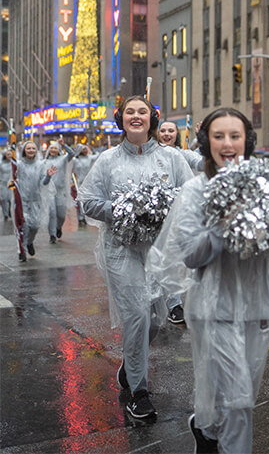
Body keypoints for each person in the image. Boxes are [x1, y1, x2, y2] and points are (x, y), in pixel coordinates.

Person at [147, 107, 269, 454]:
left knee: (237, 394)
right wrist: (222, 222)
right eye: (218, 136)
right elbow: (191, 256)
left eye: (235, 136)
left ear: (247, 141)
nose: (227, 143)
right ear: (206, 143)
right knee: (239, 399)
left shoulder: (266, 187)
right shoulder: (195, 192)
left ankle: (206, 428)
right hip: (213, 309)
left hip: (257, 309)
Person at [78, 95, 193, 422]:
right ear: (121, 118)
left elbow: (192, 194)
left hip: (159, 251)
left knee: (155, 320)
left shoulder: (171, 159)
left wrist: (164, 211)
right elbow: (88, 200)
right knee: (138, 315)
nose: (136, 116)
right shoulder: (108, 160)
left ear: (152, 118)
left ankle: (130, 366)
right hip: (121, 249)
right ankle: (140, 391)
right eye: (130, 111)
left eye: (142, 111)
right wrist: (124, 211)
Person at [156, 120, 203, 326]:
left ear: (177, 134)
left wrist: (204, 139)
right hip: (149, 218)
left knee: (173, 259)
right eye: (163, 130)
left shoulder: (182, 155)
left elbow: (202, 163)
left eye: (171, 131)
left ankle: (174, 305)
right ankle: (151, 303)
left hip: (175, 218)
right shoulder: (148, 154)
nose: (166, 134)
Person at [15, 141, 55, 261]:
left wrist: (48, 176)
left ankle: (29, 242)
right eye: (28, 148)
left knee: (35, 225)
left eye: (33, 148)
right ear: (24, 150)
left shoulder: (40, 164)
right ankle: (22, 250)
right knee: (24, 226)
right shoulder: (19, 165)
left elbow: (43, 183)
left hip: (36, 200)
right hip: (23, 201)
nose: (31, 150)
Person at [44, 139, 76, 243]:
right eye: (51, 148)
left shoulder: (62, 159)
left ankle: (58, 227)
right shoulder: (44, 162)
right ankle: (52, 235)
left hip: (60, 191)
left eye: (55, 148)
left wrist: (64, 145)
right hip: (49, 191)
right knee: (52, 213)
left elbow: (72, 153)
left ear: (58, 150)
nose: (53, 150)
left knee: (61, 215)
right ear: (49, 150)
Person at [71, 145, 98, 226]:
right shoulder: (75, 160)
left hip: (89, 183)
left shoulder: (90, 158)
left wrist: (93, 150)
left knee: (87, 201)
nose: (85, 151)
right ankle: (80, 218)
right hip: (78, 183)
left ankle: (86, 216)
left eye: (86, 149)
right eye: (83, 149)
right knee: (79, 201)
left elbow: (98, 156)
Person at [0, 149, 13, 221]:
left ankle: (10, 211)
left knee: (11, 199)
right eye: (8, 154)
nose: (9, 156)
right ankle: (5, 214)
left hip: (11, 184)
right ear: (5, 155)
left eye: (10, 154)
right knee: (4, 199)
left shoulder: (13, 163)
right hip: (3, 183)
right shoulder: (1, 164)